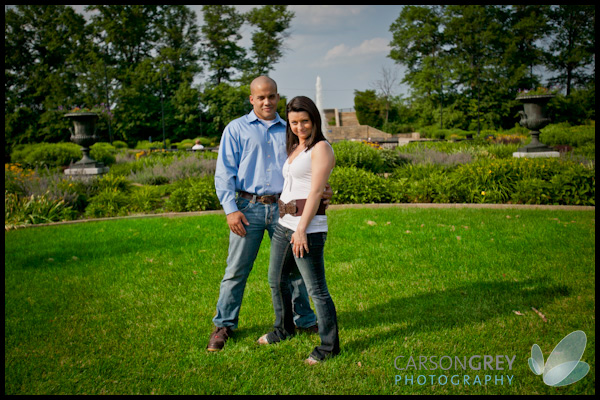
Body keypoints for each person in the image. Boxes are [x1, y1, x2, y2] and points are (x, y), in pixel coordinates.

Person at [207, 76, 330, 352]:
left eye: (272, 96)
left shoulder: (291, 129)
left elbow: (309, 163)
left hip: (284, 208)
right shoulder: (236, 129)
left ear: (278, 97)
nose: (267, 101)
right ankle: (224, 324)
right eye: (261, 97)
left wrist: (323, 188)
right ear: (251, 99)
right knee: (236, 269)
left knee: (295, 267)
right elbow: (223, 173)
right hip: (246, 209)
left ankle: (304, 318)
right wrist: (231, 210)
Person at [257, 96, 339, 365]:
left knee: (316, 290)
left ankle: (329, 347)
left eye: (304, 121)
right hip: (284, 224)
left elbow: (316, 191)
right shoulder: (296, 146)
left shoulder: (321, 148)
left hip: (308, 228)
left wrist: (302, 229)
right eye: (294, 122)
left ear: (314, 119)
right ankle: (283, 329)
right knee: (276, 280)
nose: (299, 126)